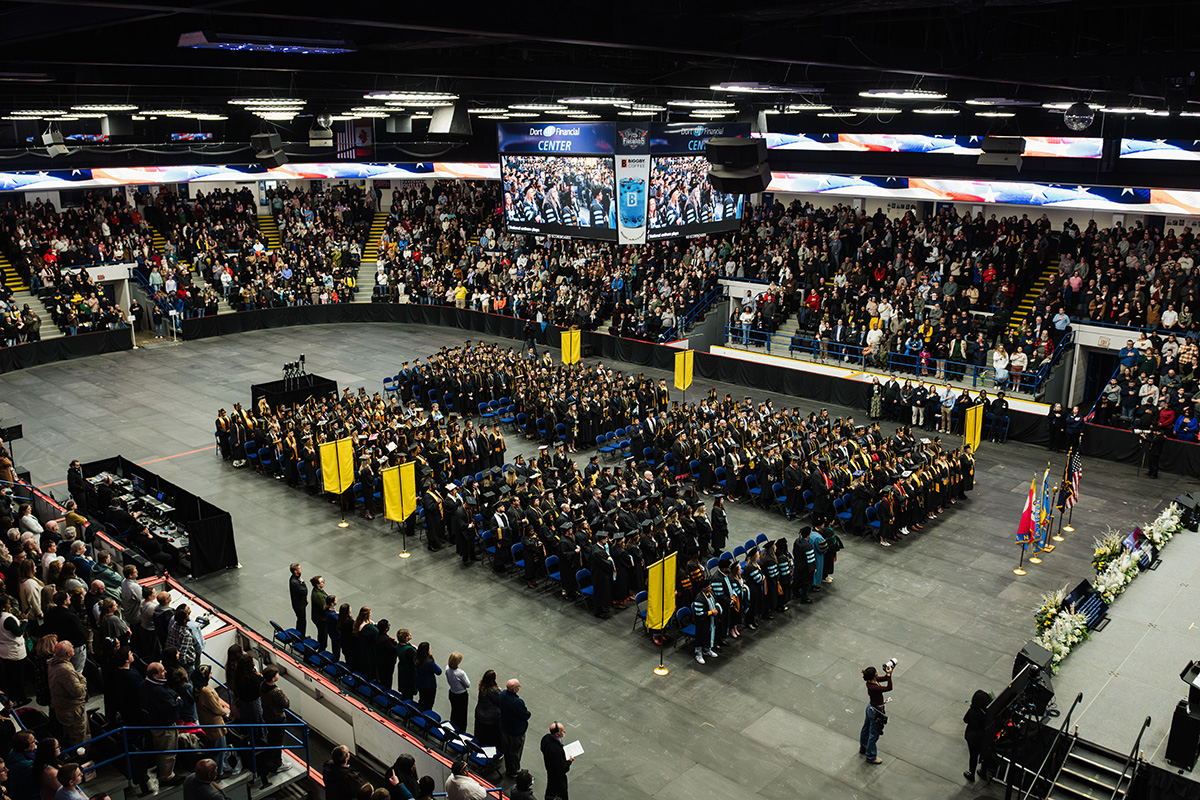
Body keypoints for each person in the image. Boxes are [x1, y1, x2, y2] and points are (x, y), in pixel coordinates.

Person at [140, 661, 184, 784]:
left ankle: (165, 772)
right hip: (164, 727)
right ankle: (167, 776)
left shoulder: (146, 684)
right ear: (155, 675)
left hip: (157, 724)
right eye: (162, 671)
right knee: (167, 752)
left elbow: (170, 692)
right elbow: (172, 706)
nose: (165, 672)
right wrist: (179, 701)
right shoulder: (157, 691)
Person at [47, 642, 87, 748]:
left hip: (62, 707)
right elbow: (78, 692)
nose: (73, 647)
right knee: (78, 737)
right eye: (71, 647)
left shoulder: (53, 664)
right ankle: (80, 760)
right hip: (72, 711)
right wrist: (83, 681)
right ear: (68, 653)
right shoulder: (65, 670)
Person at [258, 666, 290, 788]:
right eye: (276, 674)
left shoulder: (262, 686)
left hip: (267, 717)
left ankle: (275, 761)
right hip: (278, 719)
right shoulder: (276, 692)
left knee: (272, 739)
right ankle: (277, 764)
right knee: (277, 741)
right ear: (272, 678)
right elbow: (286, 703)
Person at [860, 662, 894, 764]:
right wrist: (889, 676)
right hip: (876, 711)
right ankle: (870, 756)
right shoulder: (874, 687)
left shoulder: (871, 682)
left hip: (871, 708)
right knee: (874, 734)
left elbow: (883, 678)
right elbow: (889, 688)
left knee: (866, 728)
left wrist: (888, 675)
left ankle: (863, 747)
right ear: (874, 675)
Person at [498, 678, 530, 778]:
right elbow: (526, 715)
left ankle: (508, 768)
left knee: (507, 749)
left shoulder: (502, 694)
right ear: (515, 689)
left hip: (505, 727)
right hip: (516, 731)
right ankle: (514, 770)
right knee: (516, 751)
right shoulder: (517, 702)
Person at [963, 689, 992, 783]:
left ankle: (971, 774)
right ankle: (983, 772)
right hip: (984, 738)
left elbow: (965, 720)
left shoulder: (972, 711)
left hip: (973, 738)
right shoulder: (987, 714)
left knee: (973, 756)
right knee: (985, 754)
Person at [540, 722, 573, 800]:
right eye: (562, 731)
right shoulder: (555, 750)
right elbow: (562, 769)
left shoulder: (545, 738)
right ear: (557, 734)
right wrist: (569, 761)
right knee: (561, 792)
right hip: (558, 776)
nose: (564, 731)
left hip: (550, 770)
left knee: (550, 787)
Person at [473, 669, 502, 750]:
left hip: (480, 714)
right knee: (490, 737)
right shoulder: (493, 691)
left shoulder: (482, 686)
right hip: (490, 718)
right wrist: (500, 691)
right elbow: (500, 700)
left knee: (480, 734)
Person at [445, 652, 471, 733]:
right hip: (461, 695)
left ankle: (452, 727)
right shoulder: (460, 673)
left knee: (454, 711)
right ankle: (461, 732)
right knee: (462, 715)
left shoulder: (447, 668)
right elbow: (468, 684)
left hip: (452, 692)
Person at [414, 642, 441, 711]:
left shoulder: (417, 659)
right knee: (429, 703)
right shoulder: (429, 663)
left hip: (420, 682)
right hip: (429, 686)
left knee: (422, 699)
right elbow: (439, 671)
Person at [395, 630, 416, 701]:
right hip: (409, 671)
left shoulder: (398, 645)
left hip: (403, 668)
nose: (410, 634)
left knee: (404, 686)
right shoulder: (409, 650)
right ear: (406, 638)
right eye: (409, 634)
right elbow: (417, 660)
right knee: (408, 689)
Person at [288, 564, 307, 638]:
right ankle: (301, 637)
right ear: (296, 571)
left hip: (299, 603)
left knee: (301, 620)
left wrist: (305, 600)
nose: (301, 569)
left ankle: (299, 636)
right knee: (302, 621)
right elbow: (304, 591)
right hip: (299, 605)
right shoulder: (295, 582)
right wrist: (303, 583)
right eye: (299, 568)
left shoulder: (294, 578)